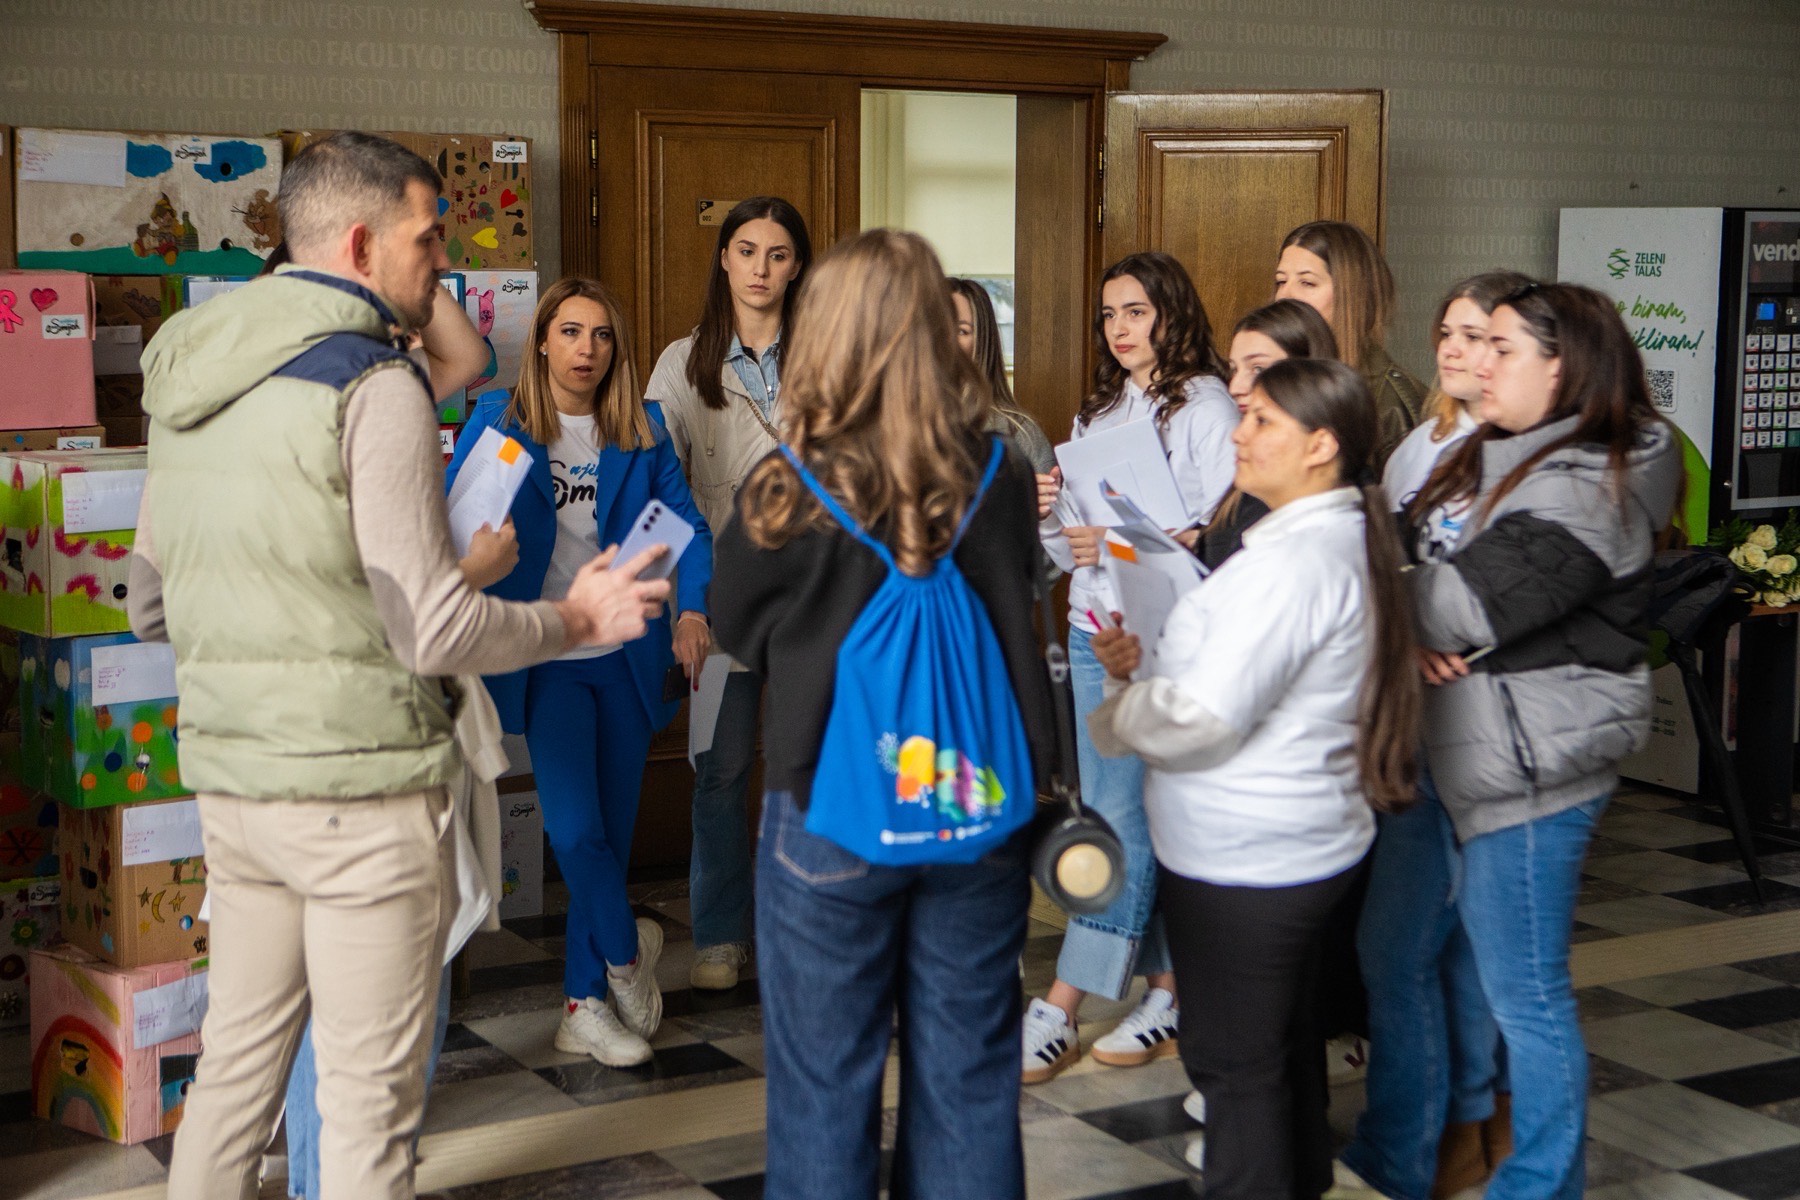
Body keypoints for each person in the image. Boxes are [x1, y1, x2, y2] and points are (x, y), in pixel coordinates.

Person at [130, 131, 670, 1200]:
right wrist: (573, 616)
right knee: (368, 1112)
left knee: (233, 1084)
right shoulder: (373, 386)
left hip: (233, 785)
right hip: (360, 793)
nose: (444, 263)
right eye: (428, 240)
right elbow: (432, 629)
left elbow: (149, 606)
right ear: (363, 243)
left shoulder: (190, 376)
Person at [711, 229, 1054, 1199]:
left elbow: (736, 625)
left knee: (824, 1089)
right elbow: (1020, 606)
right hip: (975, 796)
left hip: (828, 796)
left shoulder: (788, 484)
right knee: (972, 1079)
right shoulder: (1000, 472)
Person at [1353, 283, 1681, 1200]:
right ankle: (1408, 1155)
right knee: (1401, 959)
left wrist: (1414, 608)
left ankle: (1538, 1184)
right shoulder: (1492, 450)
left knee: (1522, 996)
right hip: (1444, 745)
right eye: (1473, 341)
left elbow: (1456, 602)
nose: (1477, 363)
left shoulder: (1596, 480)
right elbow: (1395, 549)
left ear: (1562, 368)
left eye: (1501, 348)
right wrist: (1412, 612)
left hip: (1530, 770)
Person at [1088, 357, 1421, 1199]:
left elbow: (1204, 718)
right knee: (1277, 1065)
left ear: (1321, 445)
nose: (1239, 433)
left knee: (1239, 1073)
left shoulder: (1294, 564)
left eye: (1263, 420)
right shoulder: (1318, 540)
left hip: (1249, 856)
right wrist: (1143, 670)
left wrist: (1121, 712)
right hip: (1289, 843)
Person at [446, 276, 713, 1067]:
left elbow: (687, 528)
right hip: (547, 655)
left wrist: (692, 612)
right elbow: (451, 525)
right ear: (542, 341)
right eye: (570, 332)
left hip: (625, 659)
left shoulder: (643, 428)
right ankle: (627, 957)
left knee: (611, 840)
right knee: (575, 833)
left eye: (600, 335)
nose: (585, 349)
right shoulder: (500, 423)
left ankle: (582, 1005)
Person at [1340, 271, 1534, 1200]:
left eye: (1480, 336)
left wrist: (1439, 627)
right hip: (1413, 724)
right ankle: (1467, 1122)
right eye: (1448, 333)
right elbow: (1389, 567)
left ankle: (1451, 1132)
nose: (1456, 351)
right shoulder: (1418, 445)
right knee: (1430, 945)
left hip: (1486, 734)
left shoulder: (1529, 453)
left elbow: (1519, 592)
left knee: (1431, 945)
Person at [1030, 251, 1237, 1082]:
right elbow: (1067, 552)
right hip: (1093, 626)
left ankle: (1062, 1003)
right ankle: (1169, 992)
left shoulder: (1208, 407)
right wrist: (1052, 517)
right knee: (1122, 811)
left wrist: (1116, 538)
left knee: (1118, 820)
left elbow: (1225, 537)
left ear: (1171, 313)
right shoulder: (1101, 408)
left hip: (1163, 634)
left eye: (1137, 312)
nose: (1120, 329)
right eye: (1110, 314)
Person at [645, 196, 812, 992]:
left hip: (816, 592)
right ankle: (718, 937)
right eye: (747, 251)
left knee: (808, 765)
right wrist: (682, 597)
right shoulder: (684, 362)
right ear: (724, 258)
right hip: (722, 594)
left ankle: (803, 930)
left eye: (778, 254)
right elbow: (657, 480)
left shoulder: (829, 353)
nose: (760, 269)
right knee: (718, 769)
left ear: (797, 266)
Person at [1201, 298, 1340, 569]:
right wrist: (1198, 545)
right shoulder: (1261, 468)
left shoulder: (1315, 485)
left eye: (1258, 369)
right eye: (1234, 369)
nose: (1235, 386)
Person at [1275, 220, 1425, 465]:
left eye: (1307, 282)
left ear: (1351, 293)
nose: (1284, 296)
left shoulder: (1391, 401)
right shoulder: (1281, 377)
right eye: (1281, 281)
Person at [948, 276, 1059, 514]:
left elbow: (1053, 528)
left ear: (982, 341)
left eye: (960, 330)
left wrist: (1039, 512)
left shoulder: (1019, 432)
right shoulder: (888, 424)